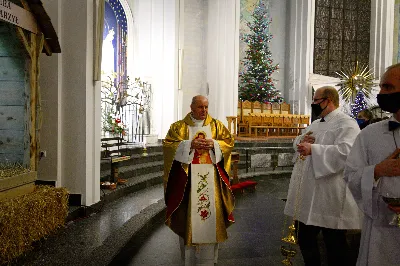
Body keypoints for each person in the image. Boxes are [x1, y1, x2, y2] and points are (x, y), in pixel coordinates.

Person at [284, 86, 362, 266]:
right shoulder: (317, 123)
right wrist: (301, 143)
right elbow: (299, 140)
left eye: (316, 100)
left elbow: (348, 152)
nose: (313, 104)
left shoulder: (347, 123)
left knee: (334, 242)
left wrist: (315, 150)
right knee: (305, 238)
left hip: (329, 193)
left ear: (327, 100)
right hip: (308, 192)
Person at [163, 95, 235, 265]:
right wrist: (188, 145)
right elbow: (168, 146)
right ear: (192, 107)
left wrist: (215, 145)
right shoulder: (179, 127)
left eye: (206, 107)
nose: (204, 111)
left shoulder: (216, 126)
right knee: (189, 220)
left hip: (212, 182)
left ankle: (209, 261)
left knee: (210, 223)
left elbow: (229, 143)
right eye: (200, 107)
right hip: (188, 184)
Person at [344, 63, 400, 266]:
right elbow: (350, 175)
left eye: (388, 87)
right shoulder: (370, 134)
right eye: (381, 88)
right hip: (380, 230)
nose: (381, 93)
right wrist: (376, 171)